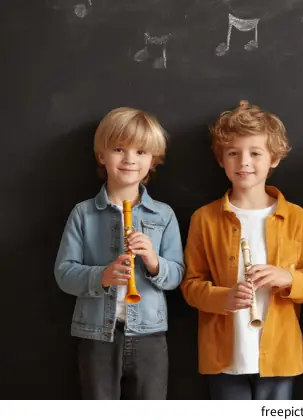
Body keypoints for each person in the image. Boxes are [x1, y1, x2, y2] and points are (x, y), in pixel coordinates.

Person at [180, 100, 303, 400]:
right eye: (233, 153)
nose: (244, 162)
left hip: (280, 356)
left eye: (255, 153)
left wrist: (287, 278)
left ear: (274, 158)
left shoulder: (298, 218)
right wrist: (225, 298)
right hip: (224, 355)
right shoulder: (204, 219)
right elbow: (191, 285)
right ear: (221, 160)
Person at [54, 106, 185, 399]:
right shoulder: (84, 213)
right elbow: (64, 274)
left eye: (141, 152)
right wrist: (103, 275)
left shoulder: (162, 215)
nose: (129, 159)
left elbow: (176, 274)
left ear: (153, 161)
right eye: (118, 149)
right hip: (97, 336)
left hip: (149, 335)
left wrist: (153, 261)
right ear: (102, 156)